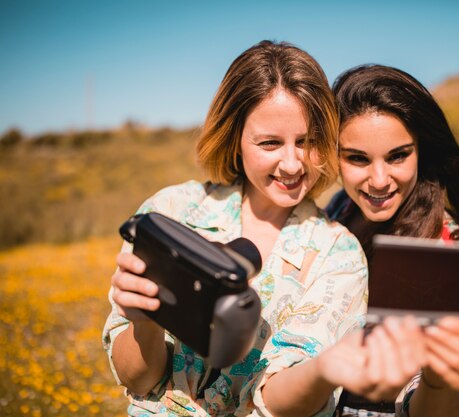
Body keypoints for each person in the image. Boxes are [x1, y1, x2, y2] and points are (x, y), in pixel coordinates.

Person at [102, 40, 371, 417]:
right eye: (270, 143)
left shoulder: (339, 254)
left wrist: (326, 369)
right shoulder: (171, 213)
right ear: (236, 138)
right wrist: (143, 321)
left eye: (308, 142)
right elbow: (140, 381)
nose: (292, 164)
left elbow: (281, 404)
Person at [326, 64, 459, 417]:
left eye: (398, 155)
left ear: (421, 149)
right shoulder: (341, 208)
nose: (379, 180)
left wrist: (439, 379)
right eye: (357, 158)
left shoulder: (444, 251)